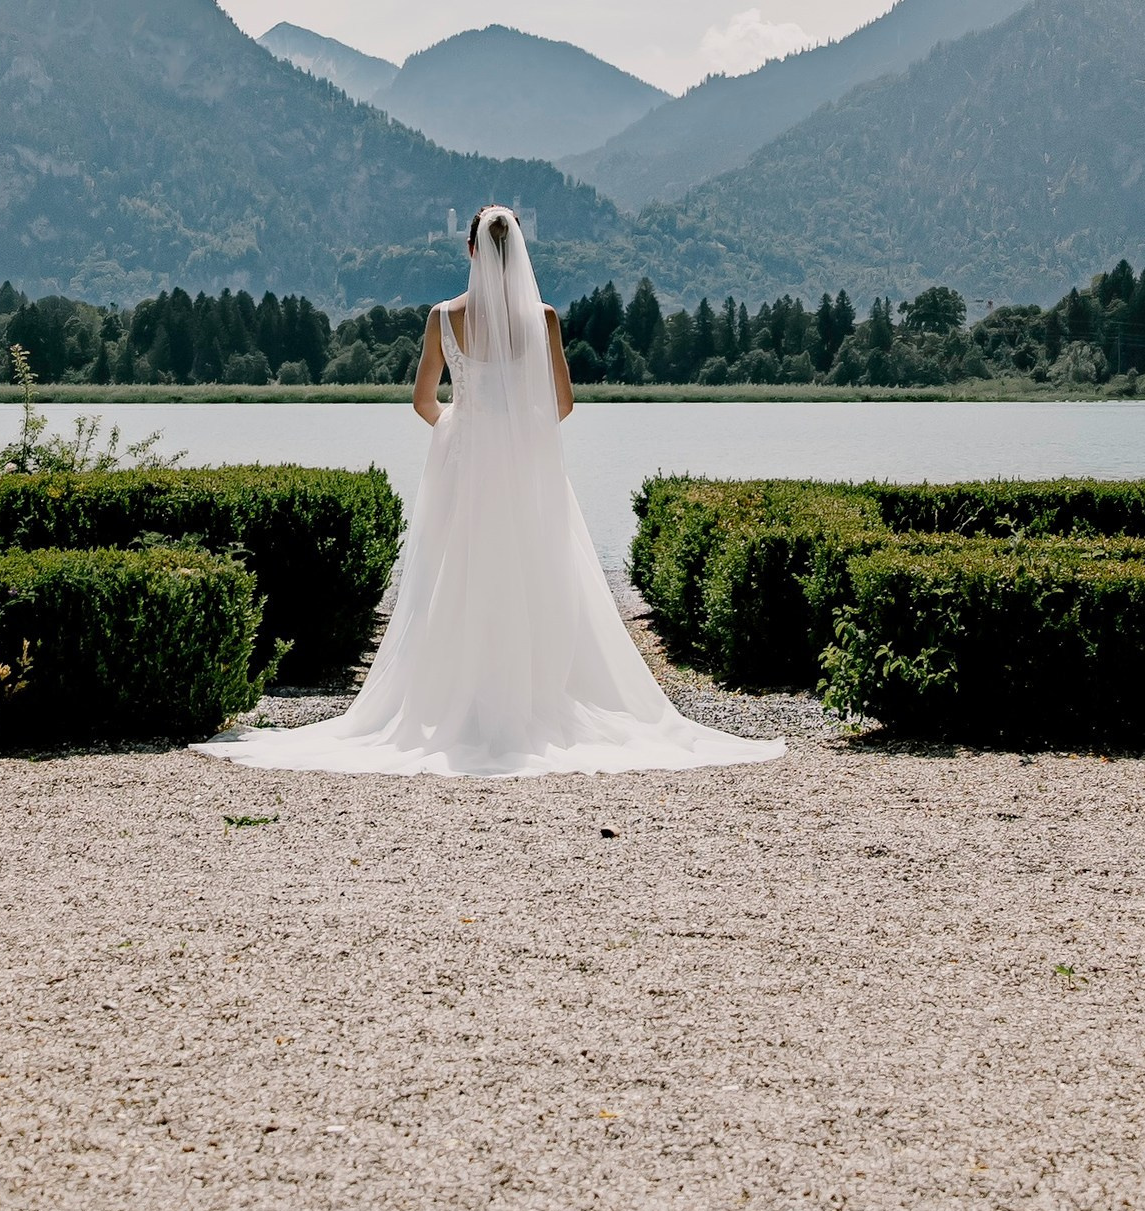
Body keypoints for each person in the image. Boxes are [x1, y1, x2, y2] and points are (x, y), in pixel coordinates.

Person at [196, 205, 785, 780]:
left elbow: (423, 400)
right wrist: (519, 437)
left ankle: (458, 701)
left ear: (471, 249)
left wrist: (460, 428)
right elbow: (564, 404)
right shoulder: (544, 319)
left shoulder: (442, 318)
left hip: (463, 462)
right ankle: (527, 692)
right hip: (524, 466)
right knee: (532, 573)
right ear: (519, 253)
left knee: (454, 576)